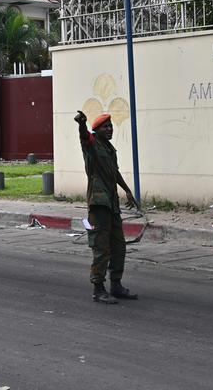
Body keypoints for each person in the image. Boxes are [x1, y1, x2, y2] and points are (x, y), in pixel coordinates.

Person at [74, 110, 139, 304]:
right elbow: (84, 138)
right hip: (99, 204)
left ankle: (116, 285)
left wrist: (127, 190)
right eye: (106, 127)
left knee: (119, 246)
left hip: (112, 204)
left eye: (111, 126)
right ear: (97, 130)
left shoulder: (109, 149)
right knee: (101, 248)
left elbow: (115, 173)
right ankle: (98, 289)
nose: (110, 129)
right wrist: (81, 125)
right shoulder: (92, 145)